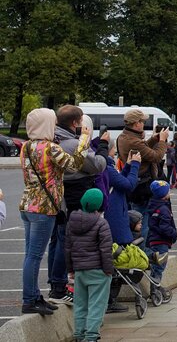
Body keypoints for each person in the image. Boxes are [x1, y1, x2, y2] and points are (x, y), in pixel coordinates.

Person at [19, 108, 88, 315]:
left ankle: (33, 295)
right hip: (44, 207)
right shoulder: (50, 148)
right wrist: (84, 139)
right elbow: (75, 165)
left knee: (30, 254)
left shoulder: (26, 147)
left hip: (28, 205)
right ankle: (29, 299)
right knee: (35, 255)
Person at [50, 104, 108, 305]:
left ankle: (55, 284)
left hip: (58, 196)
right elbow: (96, 165)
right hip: (74, 194)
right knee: (65, 240)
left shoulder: (52, 139)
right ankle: (59, 285)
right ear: (75, 123)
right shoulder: (72, 143)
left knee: (56, 240)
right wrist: (101, 149)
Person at [65, 188, 113, 342]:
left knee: (80, 305)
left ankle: (79, 334)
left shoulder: (72, 221)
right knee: (96, 305)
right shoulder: (101, 223)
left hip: (80, 270)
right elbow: (105, 249)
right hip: (98, 270)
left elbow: (68, 248)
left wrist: (71, 269)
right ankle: (91, 336)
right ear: (99, 205)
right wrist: (108, 270)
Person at [116, 108, 168, 242]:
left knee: (137, 218)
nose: (144, 124)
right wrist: (162, 141)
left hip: (136, 184)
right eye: (142, 121)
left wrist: (154, 139)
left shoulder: (124, 136)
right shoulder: (133, 141)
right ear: (136, 123)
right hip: (142, 186)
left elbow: (144, 148)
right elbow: (155, 156)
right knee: (143, 222)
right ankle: (143, 253)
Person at [103, 141, 140, 314]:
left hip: (117, 216)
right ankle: (110, 300)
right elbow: (128, 185)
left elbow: (121, 181)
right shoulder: (108, 169)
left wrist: (128, 165)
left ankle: (112, 299)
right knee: (117, 259)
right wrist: (136, 166)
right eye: (113, 150)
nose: (115, 152)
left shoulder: (110, 167)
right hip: (115, 220)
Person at [146, 180, 177, 283]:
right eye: (168, 191)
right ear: (163, 195)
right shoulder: (163, 209)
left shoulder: (154, 205)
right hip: (161, 241)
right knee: (159, 267)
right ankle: (156, 287)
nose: (169, 193)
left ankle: (154, 287)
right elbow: (165, 227)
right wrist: (174, 233)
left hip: (154, 240)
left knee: (156, 266)